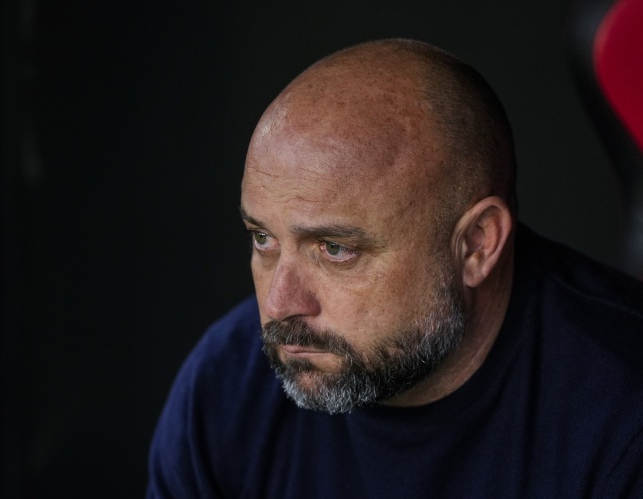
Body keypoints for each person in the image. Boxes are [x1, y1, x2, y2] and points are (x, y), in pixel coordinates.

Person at [147, 39, 643, 497]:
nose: (279, 305)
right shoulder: (225, 388)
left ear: (477, 245)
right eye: (263, 239)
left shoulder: (622, 416)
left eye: (335, 249)